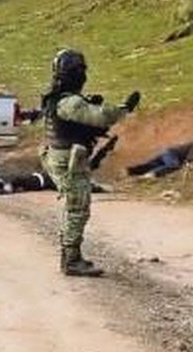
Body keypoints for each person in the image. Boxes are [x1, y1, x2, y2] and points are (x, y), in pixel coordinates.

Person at [40, 49, 138, 277]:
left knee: (75, 207)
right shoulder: (69, 102)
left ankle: (71, 256)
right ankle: (71, 260)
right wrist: (123, 109)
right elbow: (101, 117)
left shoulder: (59, 98)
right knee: (77, 209)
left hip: (64, 157)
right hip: (69, 160)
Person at [125, 135, 193, 178]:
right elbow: (190, 157)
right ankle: (152, 175)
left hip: (169, 152)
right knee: (174, 166)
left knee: (153, 164)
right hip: (173, 154)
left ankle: (132, 171)